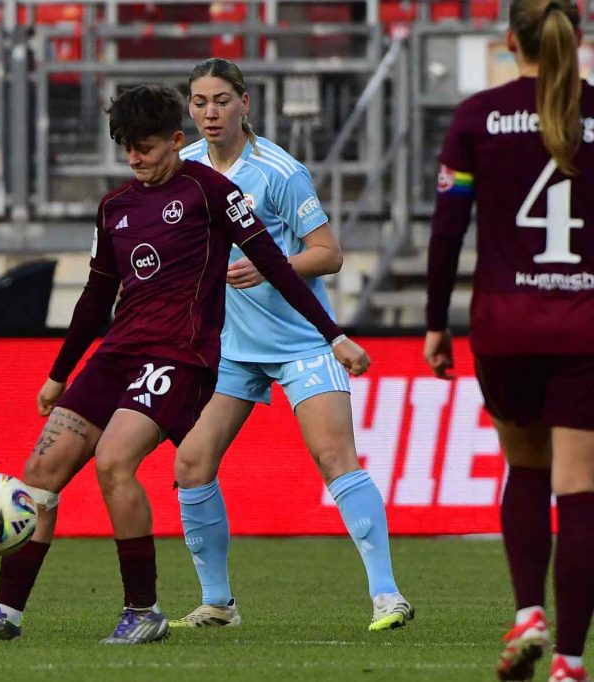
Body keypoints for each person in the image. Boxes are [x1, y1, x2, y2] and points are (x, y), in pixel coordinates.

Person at [0, 83, 368, 645]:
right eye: (126, 148)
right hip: (116, 353)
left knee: (114, 461)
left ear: (175, 139)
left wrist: (332, 335)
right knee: (41, 475)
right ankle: (6, 614)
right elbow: (95, 298)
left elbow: (276, 264)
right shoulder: (115, 208)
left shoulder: (213, 192)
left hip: (182, 355)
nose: (136, 159)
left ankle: (142, 610)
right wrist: (58, 373)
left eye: (146, 146)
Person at [168, 57, 413, 633]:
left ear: (245, 103)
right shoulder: (188, 169)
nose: (210, 111)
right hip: (231, 346)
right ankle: (218, 604)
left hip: (303, 340)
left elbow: (329, 253)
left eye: (222, 100)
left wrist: (268, 263)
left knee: (334, 459)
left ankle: (388, 596)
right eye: (200, 101)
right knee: (190, 463)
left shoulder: (280, 171)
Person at [424, 2, 594, 680]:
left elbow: (446, 231)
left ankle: (528, 611)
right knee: (579, 487)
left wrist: (435, 322)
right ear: (577, 38)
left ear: (508, 41)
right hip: (584, 323)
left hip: (506, 323)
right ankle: (571, 662)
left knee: (524, 469)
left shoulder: (478, 117)